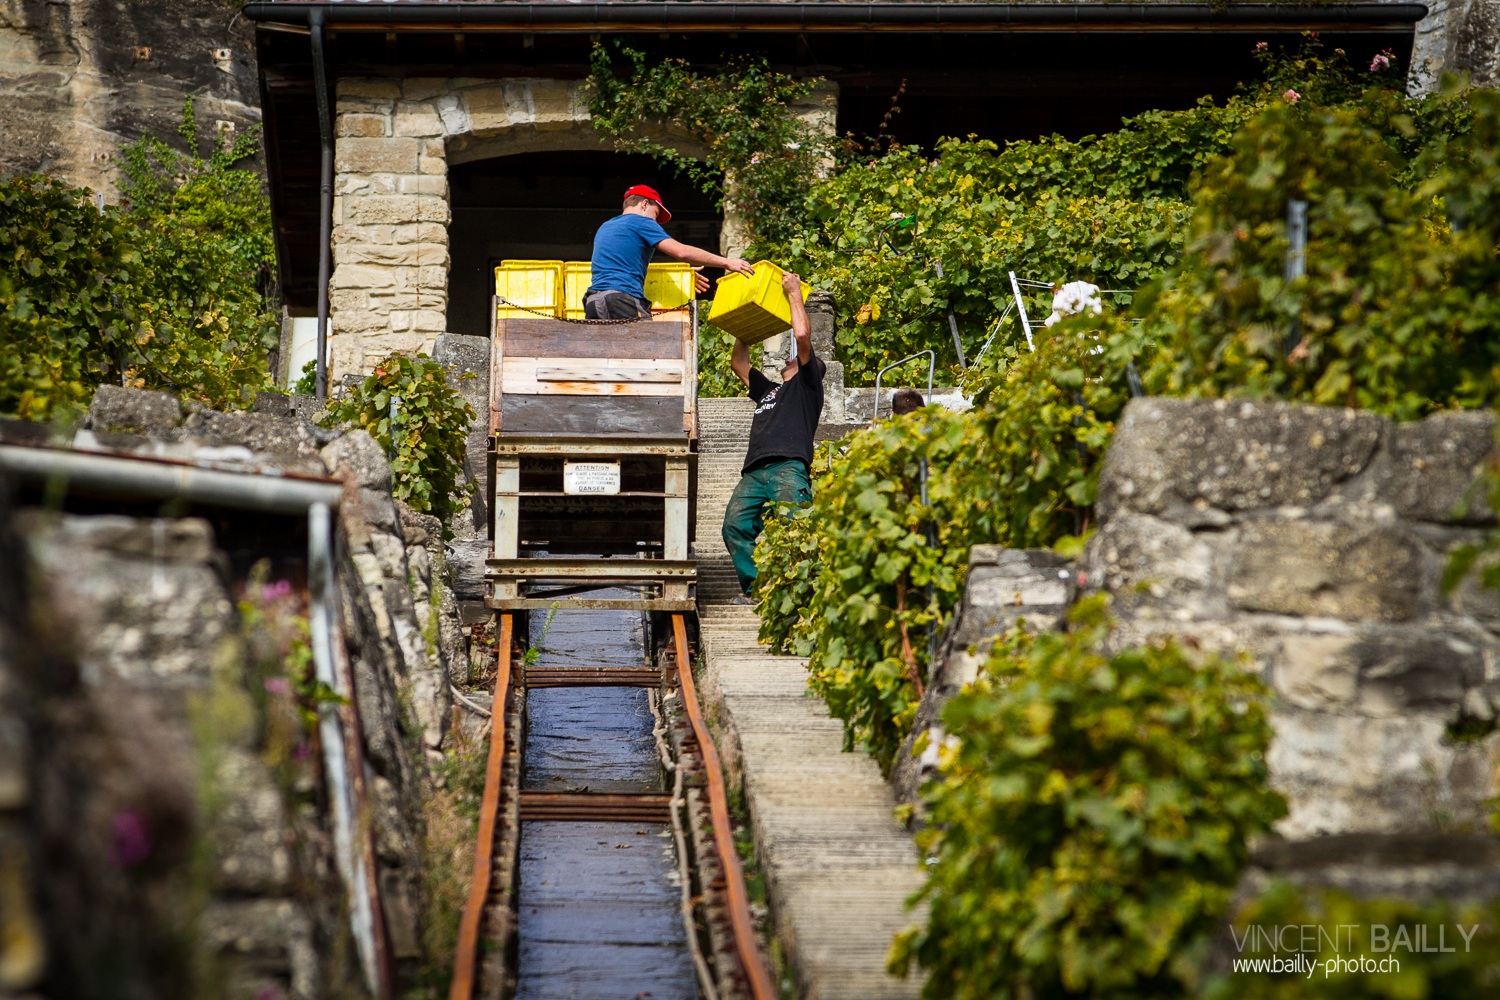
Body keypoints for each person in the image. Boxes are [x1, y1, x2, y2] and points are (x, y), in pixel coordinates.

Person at [721, 271, 824, 602]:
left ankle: (801, 594)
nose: (788, 357)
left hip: (787, 468)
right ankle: (761, 589)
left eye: (795, 358)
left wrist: (794, 293)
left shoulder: (807, 387)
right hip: (754, 472)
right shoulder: (770, 391)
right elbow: (739, 363)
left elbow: (803, 335)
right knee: (734, 526)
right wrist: (747, 326)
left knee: (795, 529)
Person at [584, 184, 755, 320]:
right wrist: (726, 262)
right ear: (644, 204)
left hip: (593, 301)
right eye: (655, 213)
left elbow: (621, 267)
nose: (655, 220)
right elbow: (680, 252)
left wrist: (681, 274)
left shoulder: (606, 226)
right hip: (622, 301)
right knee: (644, 359)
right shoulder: (642, 223)